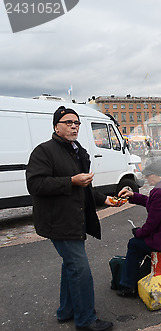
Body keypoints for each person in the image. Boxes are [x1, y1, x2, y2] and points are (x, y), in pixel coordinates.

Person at [26, 106, 124, 331]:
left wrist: (104, 199)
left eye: (77, 123)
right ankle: (86, 320)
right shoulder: (44, 151)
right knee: (80, 270)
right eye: (68, 122)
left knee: (71, 266)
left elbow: (83, 188)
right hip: (58, 221)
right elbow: (35, 184)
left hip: (74, 219)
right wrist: (70, 181)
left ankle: (66, 310)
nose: (73, 126)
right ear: (56, 126)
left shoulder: (77, 151)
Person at [116, 157, 161, 297]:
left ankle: (127, 286)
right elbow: (152, 203)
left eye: (148, 175)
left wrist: (137, 232)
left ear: (158, 175)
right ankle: (138, 276)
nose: (146, 177)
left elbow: (151, 225)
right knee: (139, 244)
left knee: (134, 244)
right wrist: (133, 195)